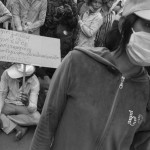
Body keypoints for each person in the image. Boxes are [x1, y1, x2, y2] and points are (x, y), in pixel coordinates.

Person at [30, 0, 150, 150]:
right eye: (148, 25)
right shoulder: (78, 62)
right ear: (123, 24)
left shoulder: (146, 92)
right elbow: (46, 124)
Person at [0, 64, 40, 140]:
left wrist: (28, 103)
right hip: (8, 103)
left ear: (28, 77)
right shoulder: (6, 73)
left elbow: (33, 108)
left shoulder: (35, 82)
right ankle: (18, 127)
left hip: (24, 107)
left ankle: (5, 120)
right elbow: (1, 94)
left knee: (37, 118)